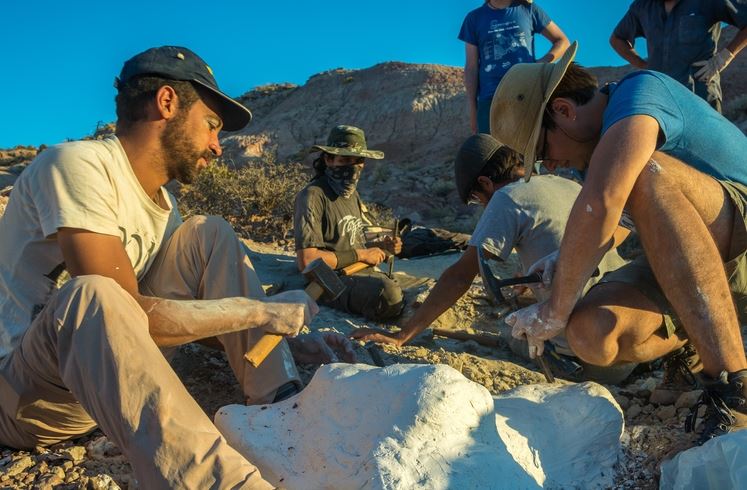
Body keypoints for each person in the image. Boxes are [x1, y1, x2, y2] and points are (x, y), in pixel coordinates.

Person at [0, 46, 356, 489]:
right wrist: (261, 312)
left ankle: (279, 403)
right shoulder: (78, 164)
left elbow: (177, 320)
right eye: (211, 125)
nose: (217, 147)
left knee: (210, 232)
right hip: (27, 399)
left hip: (110, 388)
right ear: (167, 103)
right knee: (93, 294)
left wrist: (279, 335)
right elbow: (128, 315)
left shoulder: (166, 208)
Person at [489, 41, 747, 443]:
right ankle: (694, 341)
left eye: (542, 150)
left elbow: (609, 198)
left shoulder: (639, 93)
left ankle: (734, 391)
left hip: (740, 229)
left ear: (563, 110)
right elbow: (630, 218)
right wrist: (563, 260)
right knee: (591, 333)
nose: (547, 166)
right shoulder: (593, 158)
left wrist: (555, 308)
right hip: (704, 263)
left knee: (642, 173)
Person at [351, 134, 634, 382]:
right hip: (631, 342)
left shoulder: (507, 197)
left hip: (591, 359)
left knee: (510, 326)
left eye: (477, 199)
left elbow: (461, 275)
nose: (482, 206)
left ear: (485, 183)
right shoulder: (568, 184)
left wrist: (402, 336)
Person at [294, 125, 405, 321]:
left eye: (358, 162)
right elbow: (308, 261)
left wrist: (383, 246)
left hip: (360, 270)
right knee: (389, 295)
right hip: (329, 279)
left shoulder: (352, 195)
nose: (352, 169)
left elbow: (350, 242)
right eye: (344, 161)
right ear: (328, 159)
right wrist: (363, 254)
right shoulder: (312, 196)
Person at [609, 0, 747, 113]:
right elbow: (617, 39)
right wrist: (644, 65)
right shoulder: (643, 6)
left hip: (700, 97)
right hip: (659, 99)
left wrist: (724, 57)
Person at [459, 0, 569, 134]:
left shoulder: (529, 9)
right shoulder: (474, 18)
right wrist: (472, 107)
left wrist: (541, 63)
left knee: (528, 151)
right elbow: (471, 68)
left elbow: (562, 41)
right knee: (492, 153)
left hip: (527, 96)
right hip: (490, 102)